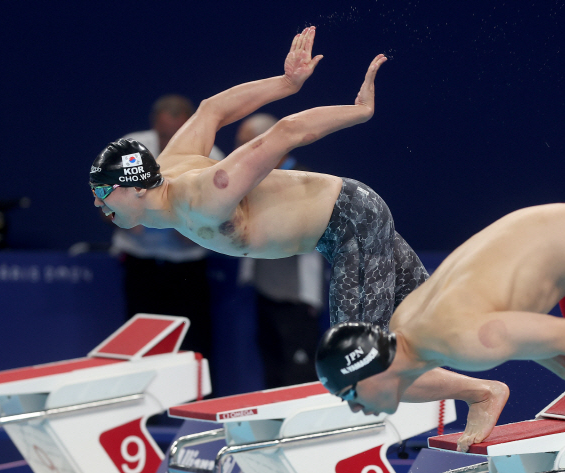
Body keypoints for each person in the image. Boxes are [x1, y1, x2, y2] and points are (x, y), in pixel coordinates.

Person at [88, 26, 507, 445]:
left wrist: (357, 112)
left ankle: (483, 393)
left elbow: (286, 132)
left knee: (356, 368)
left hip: (350, 221)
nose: (97, 204)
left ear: (136, 187)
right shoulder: (172, 161)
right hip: (342, 223)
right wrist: (285, 83)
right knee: (441, 322)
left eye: (102, 192)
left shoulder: (204, 197)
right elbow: (211, 109)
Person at [316, 203, 565, 452]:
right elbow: (534, 345)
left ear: (369, 369)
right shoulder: (405, 325)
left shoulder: (464, 341)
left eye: (349, 395)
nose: (354, 408)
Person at [110, 94, 224, 360]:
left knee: (194, 347)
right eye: (163, 135)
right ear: (153, 125)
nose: (168, 143)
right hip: (140, 265)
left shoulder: (212, 157)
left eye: (176, 135)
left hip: (187, 269)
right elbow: (103, 200)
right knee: (141, 346)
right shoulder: (128, 150)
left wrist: (195, 230)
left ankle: (197, 400)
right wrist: (122, 217)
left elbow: (226, 215)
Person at [236, 113, 325, 388]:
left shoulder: (302, 181)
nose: (237, 155)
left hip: (297, 298)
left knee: (298, 377)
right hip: (266, 292)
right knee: (272, 370)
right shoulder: (249, 179)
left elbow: (305, 236)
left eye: (245, 146)